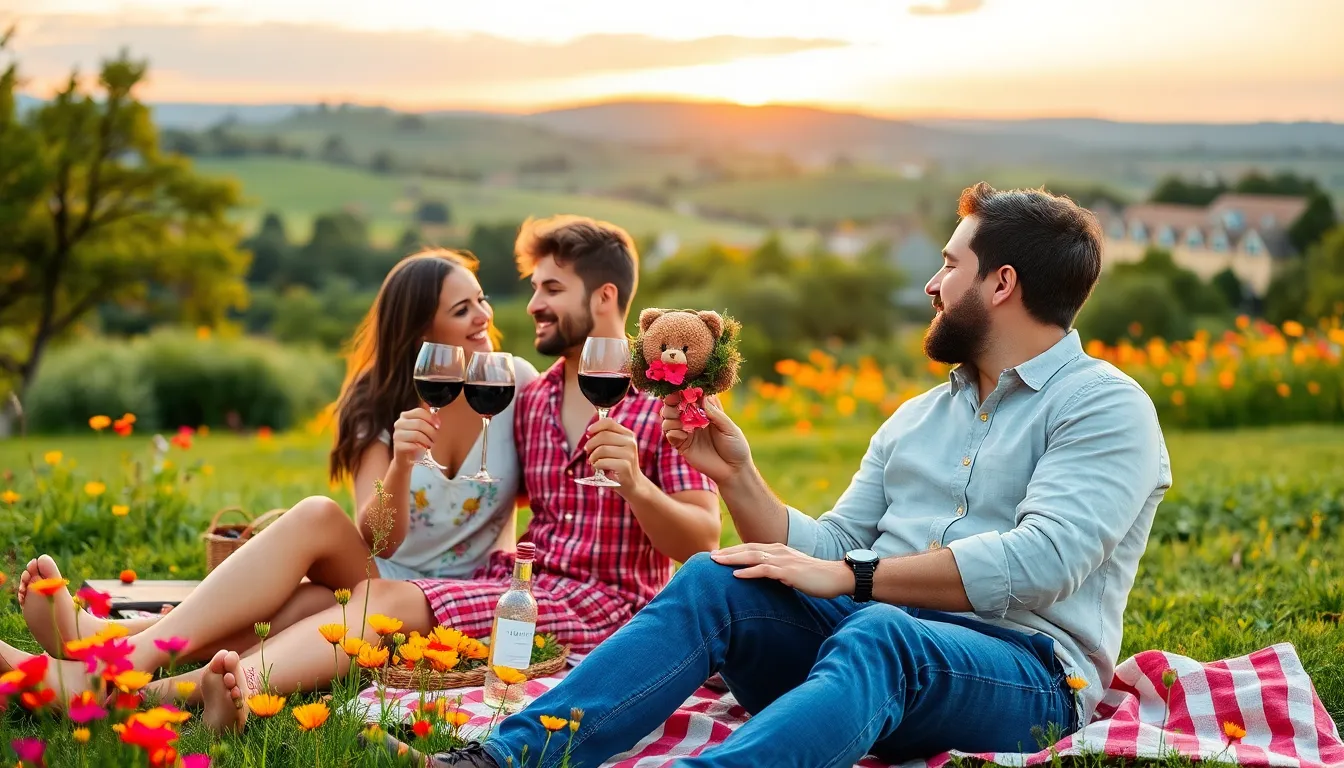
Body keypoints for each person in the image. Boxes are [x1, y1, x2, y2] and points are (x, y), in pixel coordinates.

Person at [428, 183, 1173, 768]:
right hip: (866, 642)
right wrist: (739, 477)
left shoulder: (1104, 406)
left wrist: (857, 578)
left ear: (1002, 283)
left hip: (1024, 676)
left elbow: (1040, 564)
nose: (931, 284)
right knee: (719, 577)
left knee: (881, 630)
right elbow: (837, 543)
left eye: (950, 264)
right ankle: (502, 759)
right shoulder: (916, 418)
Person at [0, 215, 722, 735]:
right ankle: (136, 669)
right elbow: (406, 522)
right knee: (327, 573)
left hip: (601, 607)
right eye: (529, 288)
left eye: (549, 289)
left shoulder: (664, 401)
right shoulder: (527, 398)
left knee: (370, 597)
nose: (525, 305)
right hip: (510, 584)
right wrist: (409, 463)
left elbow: (702, 541)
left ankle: (129, 683)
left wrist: (637, 486)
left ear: (603, 299)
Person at [13, 248, 533, 664]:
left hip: (463, 596)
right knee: (316, 516)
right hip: (380, 575)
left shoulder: (515, 382)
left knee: (298, 609)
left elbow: (552, 477)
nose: (483, 316)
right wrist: (401, 464)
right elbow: (378, 538)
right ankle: (112, 647)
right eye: (462, 309)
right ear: (420, 332)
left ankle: (104, 647)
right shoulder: (375, 402)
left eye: (482, 301)